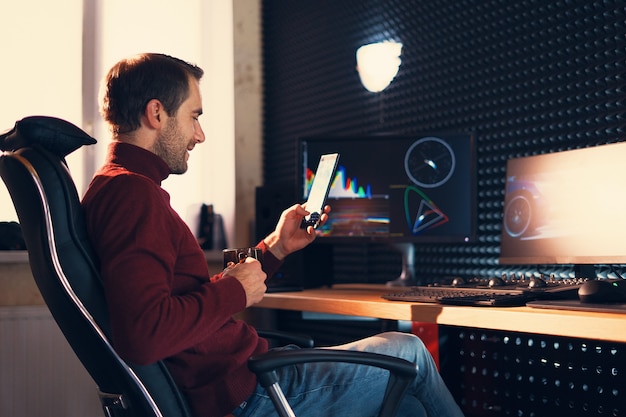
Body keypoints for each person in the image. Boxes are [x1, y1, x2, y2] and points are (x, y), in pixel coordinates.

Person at [81, 52, 464, 417]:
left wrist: (275, 248)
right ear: (156, 113)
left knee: (409, 408)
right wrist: (235, 290)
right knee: (410, 351)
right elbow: (144, 333)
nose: (199, 135)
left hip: (248, 379)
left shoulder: (117, 188)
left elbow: (180, 300)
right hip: (253, 393)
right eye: (194, 116)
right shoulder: (132, 195)